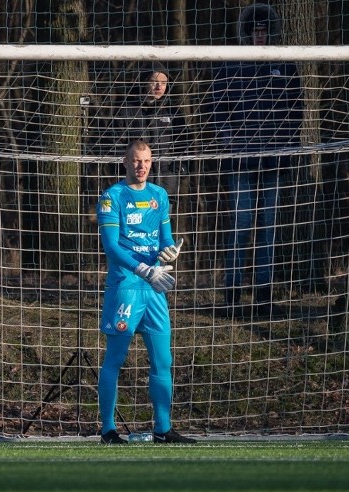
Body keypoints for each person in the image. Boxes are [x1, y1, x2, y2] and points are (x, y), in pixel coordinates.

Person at [95, 139, 195, 445]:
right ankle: (108, 430)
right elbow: (111, 246)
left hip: (154, 287)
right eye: (137, 161)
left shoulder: (159, 196)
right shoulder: (112, 197)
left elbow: (167, 238)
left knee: (163, 359)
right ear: (125, 162)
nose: (142, 166)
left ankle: (163, 428)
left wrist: (169, 253)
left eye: (147, 161)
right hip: (126, 286)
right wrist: (143, 269)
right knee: (115, 358)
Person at [208, 3, 303, 309]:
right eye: (255, 31)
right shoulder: (231, 64)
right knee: (240, 223)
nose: (259, 36)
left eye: (264, 30)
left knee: (268, 226)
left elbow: (296, 109)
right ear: (247, 33)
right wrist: (230, 140)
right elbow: (215, 107)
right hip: (240, 160)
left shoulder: (285, 64)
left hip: (274, 160)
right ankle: (232, 293)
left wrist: (285, 143)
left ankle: (264, 294)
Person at [117, 63, 188, 205]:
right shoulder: (127, 110)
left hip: (168, 184)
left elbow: (185, 142)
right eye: (154, 82)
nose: (159, 87)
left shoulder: (173, 112)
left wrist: (179, 169)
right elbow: (116, 143)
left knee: (163, 225)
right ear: (144, 82)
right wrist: (127, 170)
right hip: (135, 184)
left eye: (163, 83)